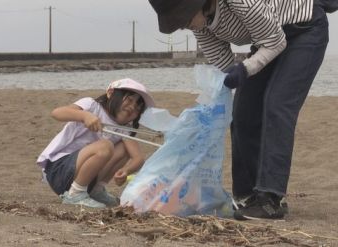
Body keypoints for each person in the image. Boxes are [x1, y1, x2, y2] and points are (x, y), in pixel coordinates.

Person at [148, 0, 336, 220]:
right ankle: (247, 196)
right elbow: (224, 62)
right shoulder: (200, 26)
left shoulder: (239, 2)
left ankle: (270, 198)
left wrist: (244, 69)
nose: (183, 26)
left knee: (277, 105)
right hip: (266, 38)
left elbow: (275, 42)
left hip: (304, 29)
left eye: (184, 19)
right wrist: (223, 87)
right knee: (243, 110)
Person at [37, 78, 155, 208]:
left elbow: (138, 158)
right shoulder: (91, 105)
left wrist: (126, 170)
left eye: (138, 107)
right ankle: (75, 194)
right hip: (59, 170)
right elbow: (57, 113)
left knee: (123, 148)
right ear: (110, 93)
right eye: (129, 100)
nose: (133, 107)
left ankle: (95, 191)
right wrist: (84, 116)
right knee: (105, 146)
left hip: (87, 179)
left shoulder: (124, 128)